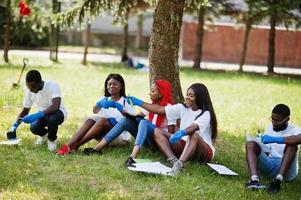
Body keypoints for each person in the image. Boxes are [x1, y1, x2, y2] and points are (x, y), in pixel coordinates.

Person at [125, 83, 218, 175]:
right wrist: (138, 102)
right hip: (185, 146)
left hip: (203, 152)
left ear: (199, 98)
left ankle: (179, 165)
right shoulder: (182, 108)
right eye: (187, 94)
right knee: (157, 131)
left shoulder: (206, 114)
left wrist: (182, 132)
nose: (187, 97)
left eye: (191, 96)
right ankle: (173, 160)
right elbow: (160, 110)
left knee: (193, 134)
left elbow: (194, 127)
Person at [83, 80, 174, 167]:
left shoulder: (170, 109)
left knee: (144, 122)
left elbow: (170, 135)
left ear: (161, 94)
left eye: (153, 91)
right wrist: (122, 110)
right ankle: (97, 149)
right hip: (149, 141)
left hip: (161, 143)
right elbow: (137, 116)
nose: (149, 93)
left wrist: (138, 104)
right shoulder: (151, 105)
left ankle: (133, 157)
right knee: (125, 120)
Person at [56, 73, 135, 155]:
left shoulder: (127, 102)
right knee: (91, 119)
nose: (111, 86)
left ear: (121, 86)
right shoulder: (106, 99)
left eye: (115, 84)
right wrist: (98, 104)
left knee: (103, 120)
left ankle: (76, 146)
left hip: (120, 138)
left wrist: (118, 108)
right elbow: (95, 111)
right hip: (102, 137)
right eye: (109, 84)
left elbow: (131, 122)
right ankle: (68, 146)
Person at [245, 104, 301, 193]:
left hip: (287, 169)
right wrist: (259, 146)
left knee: (292, 144)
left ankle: (278, 181)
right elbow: (267, 151)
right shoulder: (270, 127)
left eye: (278, 120)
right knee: (251, 144)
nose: (274, 122)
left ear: (287, 119)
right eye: (272, 119)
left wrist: (277, 139)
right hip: (270, 165)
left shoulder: (295, 130)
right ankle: (254, 180)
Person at [8, 70, 67, 151]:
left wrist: (37, 115)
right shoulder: (29, 92)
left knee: (51, 119)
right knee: (34, 127)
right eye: (28, 87)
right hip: (43, 115)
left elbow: (55, 106)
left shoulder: (52, 85)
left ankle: (52, 140)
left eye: (32, 87)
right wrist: (14, 126)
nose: (30, 89)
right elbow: (25, 111)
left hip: (58, 113)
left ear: (39, 82)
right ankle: (44, 135)